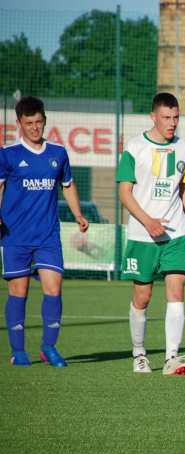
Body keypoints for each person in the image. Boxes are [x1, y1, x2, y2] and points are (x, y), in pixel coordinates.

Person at [117, 92, 185, 375]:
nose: (172, 123)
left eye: (176, 117)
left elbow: (184, 189)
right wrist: (147, 220)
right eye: (166, 117)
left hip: (175, 234)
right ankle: (139, 353)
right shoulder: (134, 147)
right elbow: (124, 193)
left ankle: (171, 358)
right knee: (142, 297)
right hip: (143, 236)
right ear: (153, 116)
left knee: (176, 291)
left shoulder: (184, 148)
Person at [0, 96, 89, 366]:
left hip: (48, 234)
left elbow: (68, 184)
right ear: (19, 124)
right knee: (19, 291)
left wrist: (78, 214)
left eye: (39, 122)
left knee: (54, 287)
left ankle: (49, 347)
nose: (35, 128)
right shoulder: (8, 155)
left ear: (45, 121)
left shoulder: (58, 154)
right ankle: (19, 351)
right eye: (29, 123)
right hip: (14, 235)